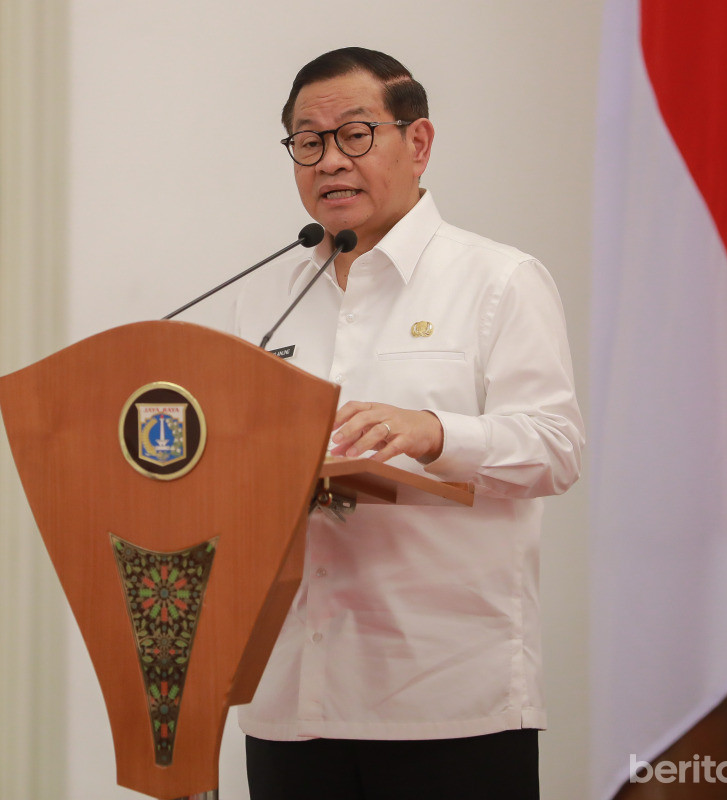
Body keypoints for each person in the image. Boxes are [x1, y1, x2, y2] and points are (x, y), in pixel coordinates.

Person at [231, 47, 584, 799]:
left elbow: (556, 449)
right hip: (290, 695)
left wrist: (435, 432)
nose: (330, 161)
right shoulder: (267, 300)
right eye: (308, 141)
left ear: (418, 143)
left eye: (355, 135)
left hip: (445, 700)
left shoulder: (498, 281)